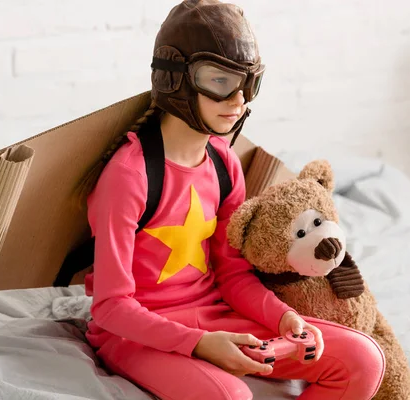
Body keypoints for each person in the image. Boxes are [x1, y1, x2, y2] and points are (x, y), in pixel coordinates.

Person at [82, 1, 386, 399]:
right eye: (220, 81)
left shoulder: (224, 162)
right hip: (139, 334)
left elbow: (233, 274)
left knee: (362, 359)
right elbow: (110, 307)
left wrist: (284, 318)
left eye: (248, 83)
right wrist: (199, 344)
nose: (239, 100)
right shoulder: (129, 176)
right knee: (230, 397)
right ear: (176, 78)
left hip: (215, 316)